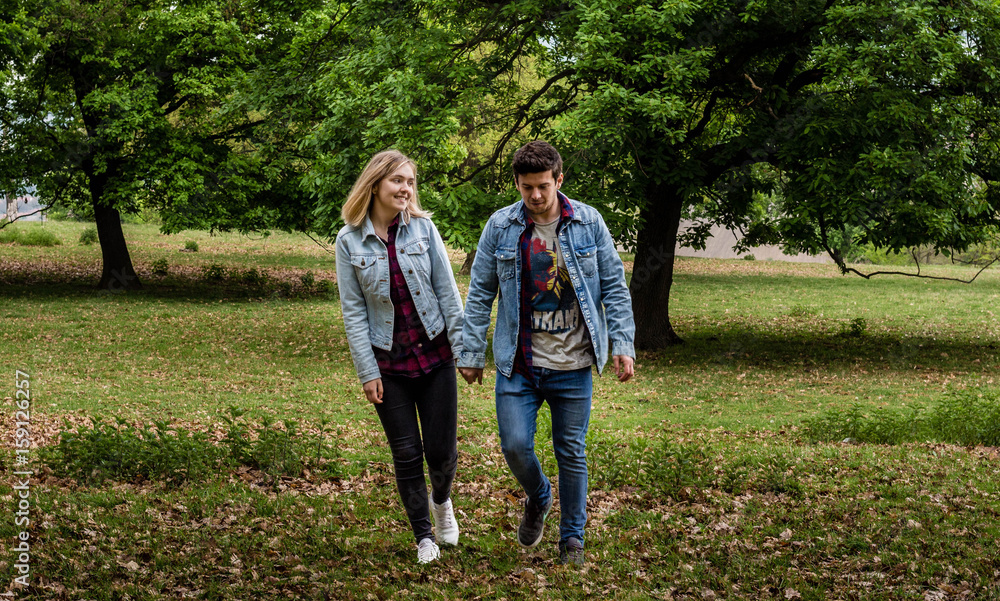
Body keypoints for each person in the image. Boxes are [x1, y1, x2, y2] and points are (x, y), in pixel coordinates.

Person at [458, 140, 636, 565]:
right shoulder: (501, 227)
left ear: (559, 179)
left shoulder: (589, 223)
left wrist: (623, 344)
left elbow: (614, 285)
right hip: (518, 362)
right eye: (526, 187)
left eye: (542, 186)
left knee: (570, 451)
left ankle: (572, 539)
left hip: (573, 363)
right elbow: (481, 292)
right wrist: (470, 352)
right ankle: (539, 497)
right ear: (517, 185)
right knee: (515, 445)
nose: (535, 196)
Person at [335, 150, 464, 564]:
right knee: (406, 452)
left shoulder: (425, 230)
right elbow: (353, 312)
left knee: (441, 451)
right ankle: (423, 536)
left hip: (435, 356)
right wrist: (366, 372)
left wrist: (464, 353)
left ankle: (441, 501)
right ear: (375, 184)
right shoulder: (348, 241)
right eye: (397, 181)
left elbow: (448, 293)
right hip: (388, 363)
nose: (406, 188)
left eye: (410, 181)